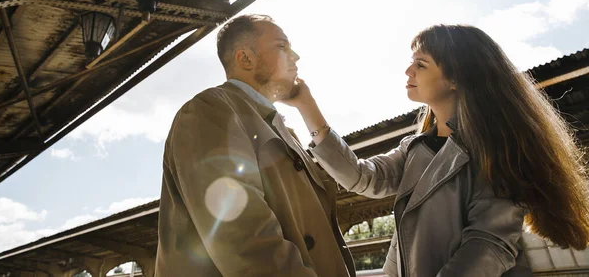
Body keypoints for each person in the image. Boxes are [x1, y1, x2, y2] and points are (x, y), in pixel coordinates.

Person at [284, 24, 589, 277]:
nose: (408, 70)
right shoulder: (416, 147)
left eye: (421, 64)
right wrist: (305, 103)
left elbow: (487, 246)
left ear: (456, 78)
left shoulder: (496, 153)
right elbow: (364, 178)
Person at [154, 14, 355, 277]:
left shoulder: (282, 129)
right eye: (282, 46)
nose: (295, 56)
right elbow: (245, 241)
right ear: (245, 59)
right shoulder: (209, 110)